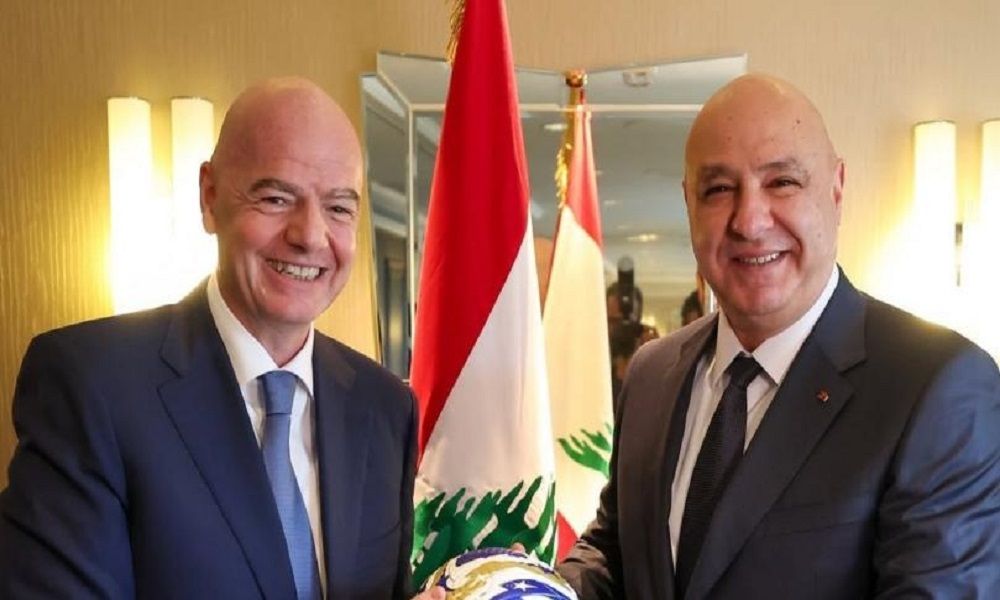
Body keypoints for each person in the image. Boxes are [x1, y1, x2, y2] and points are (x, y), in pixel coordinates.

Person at [558, 73, 1000, 598]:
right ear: (689, 204)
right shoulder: (652, 374)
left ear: (836, 190)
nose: (748, 221)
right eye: (719, 189)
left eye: (782, 182)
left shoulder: (938, 389)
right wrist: (520, 587)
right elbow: (616, 553)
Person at [0, 78, 417, 598]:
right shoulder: (90, 386)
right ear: (210, 196)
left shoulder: (385, 407)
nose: (310, 235)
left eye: (338, 208)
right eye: (276, 198)